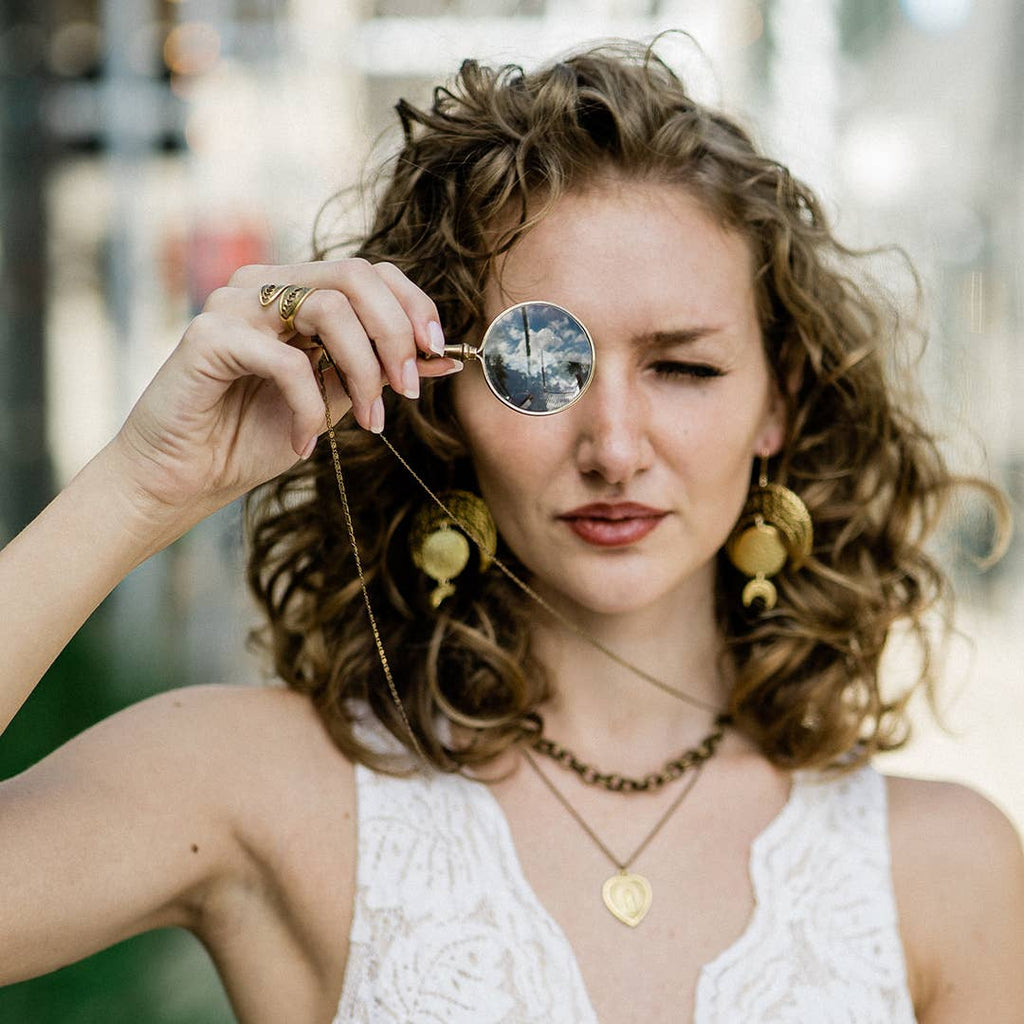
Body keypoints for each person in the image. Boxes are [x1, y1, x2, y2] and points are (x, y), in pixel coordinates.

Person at [2, 39, 1022, 1024]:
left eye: (683, 367)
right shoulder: (259, 786)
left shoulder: (946, 869)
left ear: (777, 406)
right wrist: (144, 487)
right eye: (541, 365)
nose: (615, 447)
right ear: (442, 396)